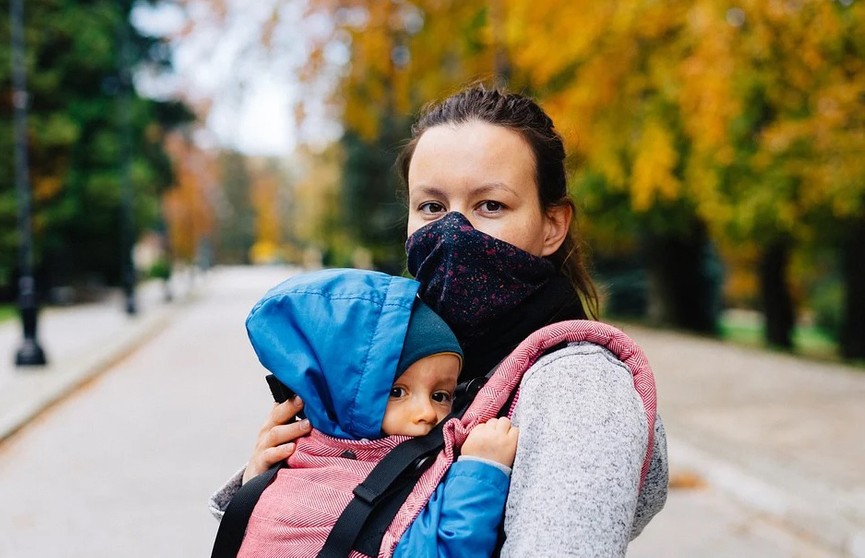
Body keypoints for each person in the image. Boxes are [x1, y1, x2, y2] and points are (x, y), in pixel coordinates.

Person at [211, 84, 668, 556]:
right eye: (431, 206)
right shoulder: (403, 351)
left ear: (552, 225)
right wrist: (275, 480)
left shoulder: (580, 387)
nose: (452, 232)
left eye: (490, 205)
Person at [232, 268, 518, 557]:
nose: (427, 413)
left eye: (440, 395)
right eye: (396, 392)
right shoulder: (308, 489)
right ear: (342, 395)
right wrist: (481, 471)